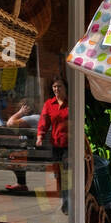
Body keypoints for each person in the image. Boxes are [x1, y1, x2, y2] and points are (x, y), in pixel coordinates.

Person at [36, 77, 70, 213]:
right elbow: (44, 121)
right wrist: (40, 136)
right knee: (59, 175)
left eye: (59, 86)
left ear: (65, 88)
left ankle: (68, 203)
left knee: (68, 174)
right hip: (56, 145)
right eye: (54, 87)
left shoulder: (71, 102)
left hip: (70, 145)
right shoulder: (49, 104)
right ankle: (64, 200)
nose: (56, 89)